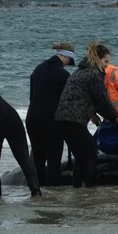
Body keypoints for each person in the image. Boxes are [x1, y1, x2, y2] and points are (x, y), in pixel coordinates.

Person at [54, 42, 118, 188]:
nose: (107, 66)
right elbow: (102, 100)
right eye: (106, 61)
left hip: (61, 120)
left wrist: (93, 114)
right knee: (91, 154)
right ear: (97, 59)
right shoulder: (93, 74)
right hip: (73, 121)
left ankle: (78, 189)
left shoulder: (79, 72)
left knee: (81, 157)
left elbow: (82, 97)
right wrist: (116, 117)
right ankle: (89, 190)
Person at [26, 42, 76, 186]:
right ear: (67, 58)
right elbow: (68, 102)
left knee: (38, 160)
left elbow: (32, 96)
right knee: (54, 160)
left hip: (32, 118)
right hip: (51, 120)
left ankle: (38, 192)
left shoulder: (37, 69)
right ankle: (53, 194)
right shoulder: (63, 74)